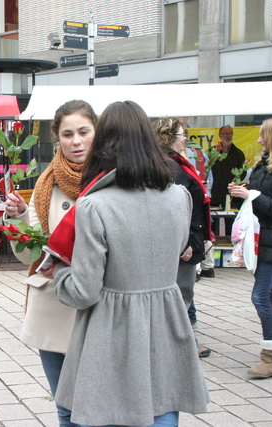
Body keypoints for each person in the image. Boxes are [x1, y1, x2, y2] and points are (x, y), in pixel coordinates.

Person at [51, 101, 209, 427]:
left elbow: (83, 291)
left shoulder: (95, 205)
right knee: (164, 404)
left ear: (103, 143)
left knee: (100, 411)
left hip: (111, 328)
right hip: (168, 318)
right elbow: (177, 249)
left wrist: (60, 272)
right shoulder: (180, 196)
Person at [4, 100, 96, 425]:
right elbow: (29, 255)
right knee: (66, 408)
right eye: (68, 134)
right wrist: (17, 220)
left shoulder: (114, 177)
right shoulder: (45, 184)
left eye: (84, 132)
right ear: (57, 138)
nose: (76, 141)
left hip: (99, 311)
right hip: (53, 307)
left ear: (96, 133)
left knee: (98, 408)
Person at [153, 117, 213, 358]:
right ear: (169, 137)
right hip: (184, 242)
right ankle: (180, 344)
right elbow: (173, 208)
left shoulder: (175, 163)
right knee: (182, 292)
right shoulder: (172, 167)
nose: (185, 138)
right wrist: (186, 239)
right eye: (182, 134)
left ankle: (182, 341)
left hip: (188, 238)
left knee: (182, 293)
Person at [228, 117, 272, 378]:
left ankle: (270, 357)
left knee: (261, 297)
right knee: (270, 297)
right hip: (262, 242)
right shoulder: (261, 165)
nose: (258, 140)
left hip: (270, 244)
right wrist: (241, 193)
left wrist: (252, 196)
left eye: (263, 135)